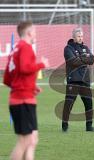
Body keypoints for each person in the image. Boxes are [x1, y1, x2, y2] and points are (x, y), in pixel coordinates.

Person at [3, 21, 49, 160]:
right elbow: (24, 68)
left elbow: (7, 78)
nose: (35, 34)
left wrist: (31, 86)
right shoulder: (26, 47)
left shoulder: (15, 48)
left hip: (23, 97)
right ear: (29, 33)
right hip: (22, 100)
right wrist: (41, 64)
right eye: (34, 31)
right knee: (25, 141)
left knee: (32, 140)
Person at [62, 27, 94, 132]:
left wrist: (80, 58)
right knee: (69, 104)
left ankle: (89, 126)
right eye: (78, 36)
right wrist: (84, 58)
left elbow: (92, 59)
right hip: (73, 80)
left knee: (89, 103)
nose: (80, 38)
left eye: (81, 36)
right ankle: (64, 125)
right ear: (74, 37)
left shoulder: (85, 47)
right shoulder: (68, 48)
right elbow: (73, 62)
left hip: (85, 80)